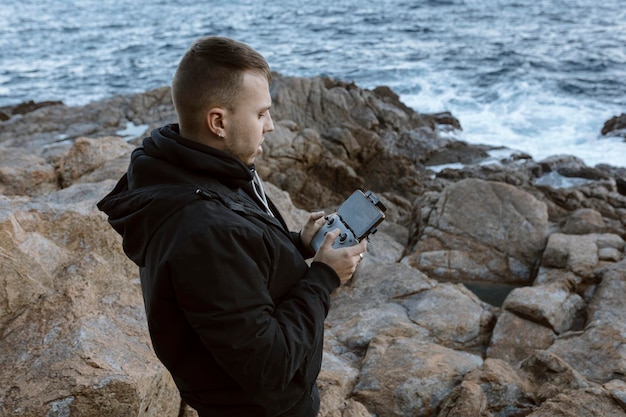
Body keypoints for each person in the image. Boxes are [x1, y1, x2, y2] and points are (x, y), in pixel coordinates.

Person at [97, 36, 366, 417]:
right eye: (260, 114)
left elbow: (238, 264)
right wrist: (323, 277)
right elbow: (269, 364)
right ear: (218, 122)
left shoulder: (192, 169)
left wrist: (299, 243)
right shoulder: (205, 230)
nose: (270, 126)